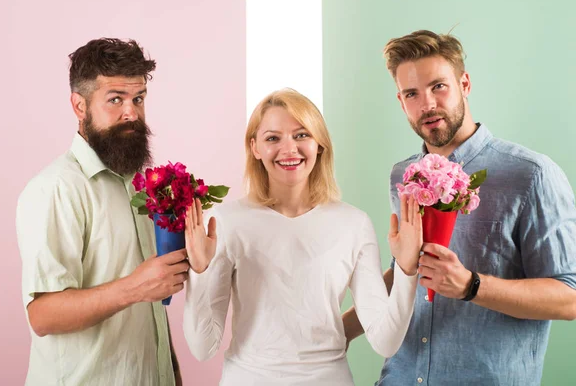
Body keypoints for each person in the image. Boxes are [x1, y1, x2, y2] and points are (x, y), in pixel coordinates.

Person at [342, 30, 576, 386]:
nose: (427, 105)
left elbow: (569, 297)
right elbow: (407, 272)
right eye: (411, 94)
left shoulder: (530, 175)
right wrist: (336, 334)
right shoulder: (403, 178)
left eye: (439, 86)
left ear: (464, 83)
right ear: (400, 101)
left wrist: (472, 285)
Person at [181, 88, 421, 385]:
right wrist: (200, 272)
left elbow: (385, 341)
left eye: (301, 135)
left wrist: (407, 270)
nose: (289, 149)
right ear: (255, 147)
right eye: (273, 138)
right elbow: (202, 347)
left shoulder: (353, 224)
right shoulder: (226, 222)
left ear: (319, 143)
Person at [16, 38, 187, 386]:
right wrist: (137, 286)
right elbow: (43, 315)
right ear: (79, 106)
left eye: (138, 99)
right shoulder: (56, 189)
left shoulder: (141, 183)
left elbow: (151, 303)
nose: (132, 113)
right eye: (115, 100)